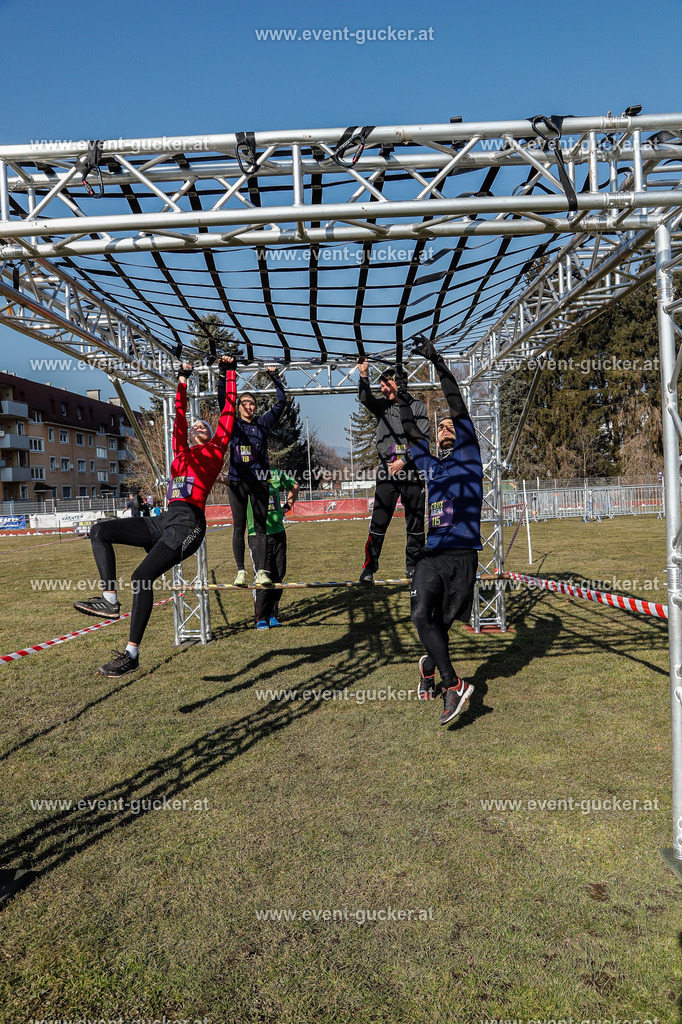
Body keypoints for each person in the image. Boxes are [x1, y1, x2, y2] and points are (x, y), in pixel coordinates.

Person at [73, 358, 237, 677]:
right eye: (195, 427)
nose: (199, 426)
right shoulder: (179, 457)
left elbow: (228, 414)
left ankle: (131, 654)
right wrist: (181, 380)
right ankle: (109, 599)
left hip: (188, 525)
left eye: (205, 426)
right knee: (99, 531)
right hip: (163, 520)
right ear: (189, 437)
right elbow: (177, 417)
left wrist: (230, 373)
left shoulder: (216, 451)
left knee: (141, 578)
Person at [396, 338, 483, 727]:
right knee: (419, 616)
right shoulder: (432, 466)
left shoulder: (469, 455)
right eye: (442, 426)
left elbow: (456, 403)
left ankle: (430, 666)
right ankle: (452, 684)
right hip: (432, 556)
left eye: (451, 425)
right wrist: (399, 396)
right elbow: (414, 437)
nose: (446, 426)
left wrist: (437, 361)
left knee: (441, 628)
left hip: (464, 557)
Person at [356, 359, 429, 582]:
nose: (384, 389)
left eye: (387, 385)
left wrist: (404, 460)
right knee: (378, 522)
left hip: (412, 471)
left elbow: (423, 440)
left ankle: (413, 566)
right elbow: (365, 398)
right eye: (381, 386)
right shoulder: (382, 406)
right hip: (386, 472)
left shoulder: (417, 407)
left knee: (415, 523)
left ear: (399, 384)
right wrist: (364, 376)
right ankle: (369, 567)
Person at [217, 363, 287, 587]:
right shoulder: (233, 424)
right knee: (239, 528)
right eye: (244, 403)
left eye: (252, 404)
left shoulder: (262, 423)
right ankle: (241, 572)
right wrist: (224, 375)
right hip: (237, 483)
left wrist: (274, 377)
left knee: (260, 528)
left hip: (259, 483)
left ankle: (262, 572)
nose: (249, 407)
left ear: (255, 407)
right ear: (238, 407)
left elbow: (282, 402)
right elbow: (222, 402)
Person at [248, 468, 298, 629]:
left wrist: (287, 506)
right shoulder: (246, 474)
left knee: (278, 574)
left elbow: (294, 486)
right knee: (263, 575)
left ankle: (273, 614)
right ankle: (260, 617)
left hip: (278, 533)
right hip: (257, 535)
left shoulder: (275, 473)